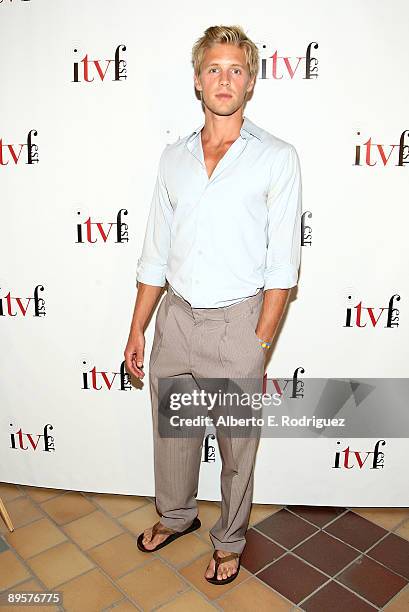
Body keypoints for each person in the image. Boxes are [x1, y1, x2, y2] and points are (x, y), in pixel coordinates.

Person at [124, 24, 302, 585]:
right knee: (174, 436)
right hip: (175, 320)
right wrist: (137, 330)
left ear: (250, 82)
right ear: (198, 81)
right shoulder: (172, 159)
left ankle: (230, 539)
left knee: (236, 447)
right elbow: (155, 251)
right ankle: (176, 516)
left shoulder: (276, 157)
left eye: (236, 70)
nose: (224, 79)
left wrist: (260, 339)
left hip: (237, 323)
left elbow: (283, 263)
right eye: (213, 69)